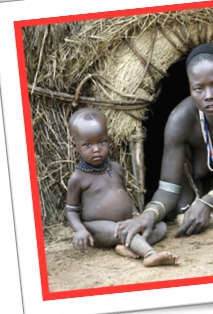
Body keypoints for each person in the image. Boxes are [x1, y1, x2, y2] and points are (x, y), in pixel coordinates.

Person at [115, 43, 213, 247]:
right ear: (190, 88)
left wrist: (210, 201)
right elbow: (168, 187)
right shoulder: (180, 119)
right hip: (195, 184)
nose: (208, 95)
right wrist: (148, 215)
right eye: (198, 88)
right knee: (180, 210)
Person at [66, 107, 179, 266]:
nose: (97, 149)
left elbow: (124, 194)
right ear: (74, 145)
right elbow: (71, 210)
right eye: (88, 145)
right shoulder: (78, 178)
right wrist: (80, 230)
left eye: (102, 142)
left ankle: (127, 247)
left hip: (126, 221)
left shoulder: (116, 168)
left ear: (108, 139)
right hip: (98, 227)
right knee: (123, 231)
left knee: (160, 226)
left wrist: (135, 214)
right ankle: (149, 254)